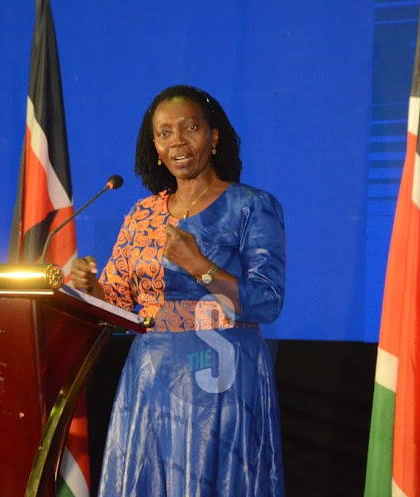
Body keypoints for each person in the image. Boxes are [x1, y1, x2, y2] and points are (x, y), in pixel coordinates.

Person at [71, 85, 286, 496]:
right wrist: (90, 287)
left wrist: (200, 267)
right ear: (154, 146)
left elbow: (268, 301)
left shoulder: (251, 206)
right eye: (164, 133)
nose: (178, 142)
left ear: (214, 135)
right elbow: (117, 302)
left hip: (219, 375)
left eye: (190, 128)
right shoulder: (141, 214)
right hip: (150, 375)